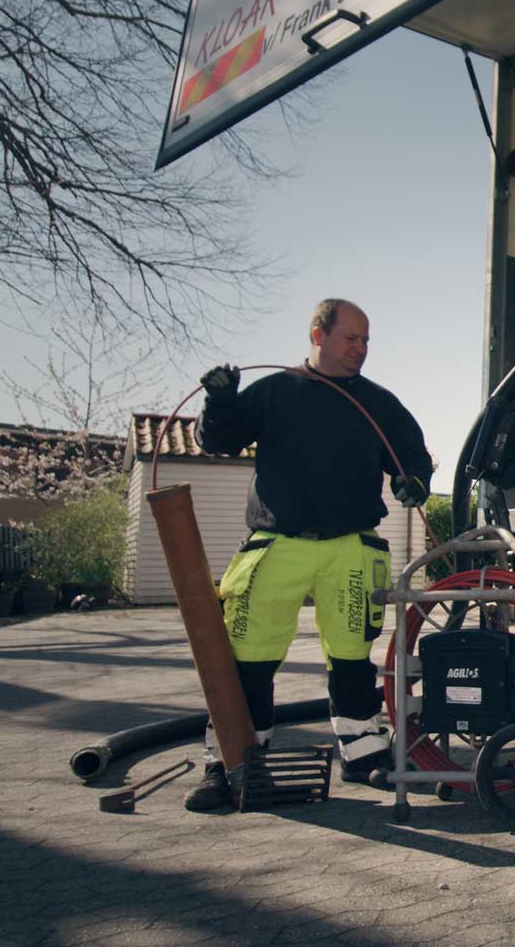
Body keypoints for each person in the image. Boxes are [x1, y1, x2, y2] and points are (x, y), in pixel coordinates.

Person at [184, 299, 433, 812]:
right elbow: (219, 440)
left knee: (351, 660)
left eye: (366, 341)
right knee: (248, 661)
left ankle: (365, 758)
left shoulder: (377, 403)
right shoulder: (275, 392)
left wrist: (415, 482)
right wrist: (220, 401)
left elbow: (411, 453)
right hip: (278, 546)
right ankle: (230, 765)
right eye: (351, 339)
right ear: (318, 335)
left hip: (349, 549)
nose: (360, 350)